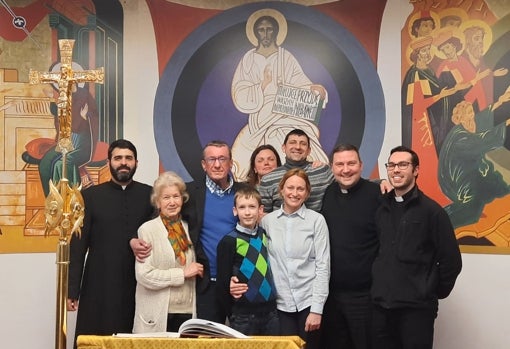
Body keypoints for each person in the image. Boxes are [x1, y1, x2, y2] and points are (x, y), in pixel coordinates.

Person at [371, 146, 462, 349]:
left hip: (416, 310)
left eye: (403, 165)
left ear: (416, 170)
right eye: (392, 165)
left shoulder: (432, 211)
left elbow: (451, 261)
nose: (396, 170)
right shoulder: (380, 208)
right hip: (381, 307)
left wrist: (428, 290)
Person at [67, 139, 154, 346]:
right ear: (109, 162)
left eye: (128, 158)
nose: (123, 163)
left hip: (138, 282)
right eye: (118, 158)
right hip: (99, 283)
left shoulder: (150, 195)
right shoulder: (89, 197)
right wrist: (72, 289)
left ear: (136, 163)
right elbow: (78, 247)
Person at [231, 8, 328, 180]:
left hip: (287, 113)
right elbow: (239, 91)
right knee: (243, 152)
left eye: (270, 29)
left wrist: (315, 89)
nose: (266, 33)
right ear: (256, 33)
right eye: (261, 29)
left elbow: (300, 81)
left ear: (276, 32)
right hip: (261, 117)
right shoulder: (248, 59)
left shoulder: (286, 57)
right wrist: (262, 85)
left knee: (298, 142)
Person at [320, 144, 382, 349]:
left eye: (351, 163)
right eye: (340, 164)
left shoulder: (378, 194)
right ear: (332, 168)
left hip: (365, 297)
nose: (345, 169)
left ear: (361, 165)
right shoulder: (328, 194)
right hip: (331, 297)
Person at [261, 168, 330, 349]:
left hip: (308, 301)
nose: (294, 193)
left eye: (300, 189)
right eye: (290, 187)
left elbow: (323, 266)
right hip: (279, 305)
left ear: (307, 193)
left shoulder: (317, 221)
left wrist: (317, 309)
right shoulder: (268, 222)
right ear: (281, 189)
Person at [184, 140, 247, 323]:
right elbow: (162, 216)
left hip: (239, 282)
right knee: (208, 340)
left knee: (243, 341)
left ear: (230, 163)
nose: (217, 164)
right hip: (207, 284)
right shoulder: (189, 193)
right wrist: (135, 239)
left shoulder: (245, 191)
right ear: (204, 165)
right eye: (211, 159)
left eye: (222, 159)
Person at [132, 171, 204, 333]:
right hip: (156, 314)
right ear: (157, 203)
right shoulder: (147, 230)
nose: (172, 202)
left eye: (176, 196)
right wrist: (182, 274)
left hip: (187, 313)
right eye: (166, 198)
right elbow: (144, 276)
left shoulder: (189, 228)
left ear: (182, 199)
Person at [439, 89, 510, 229]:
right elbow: (480, 141)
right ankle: (440, 223)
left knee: (499, 185)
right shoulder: (459, 137)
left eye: (472, 111)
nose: (472, 116)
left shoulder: (471, 124)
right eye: (469, 113)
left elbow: (483, 117)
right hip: (459, 178)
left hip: (474, 170)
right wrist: (506, 123)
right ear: (461, 118)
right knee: (472, 210)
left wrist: (501, 101)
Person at [216, 186, 279, 335]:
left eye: (252, 206)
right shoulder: (229, 241)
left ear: (260, 210)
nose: (248, 212)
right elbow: (222, 283)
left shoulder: (264, 234)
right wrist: (232, 313)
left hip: (271, 313)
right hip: (243, 316)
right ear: (235, 211)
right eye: (242, 207)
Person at [39, 83, 99, 196]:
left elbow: (94, 115)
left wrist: (84, 117)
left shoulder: (85, 95)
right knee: (45, 164)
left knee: (61, 164)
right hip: (66, 140)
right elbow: (58, 113)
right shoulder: (66, 97)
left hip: (81, 141)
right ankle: (51, 199)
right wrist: (52, 98)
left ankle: (69, 198)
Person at [258, 128, 333, 213]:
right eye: (292, 143)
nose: (298, 147)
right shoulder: (268, 179)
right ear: (284, 148)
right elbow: (264, 215)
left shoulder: (323, 171)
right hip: (280, 225)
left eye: (303, 144)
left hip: (315, 225)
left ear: (309, 151)